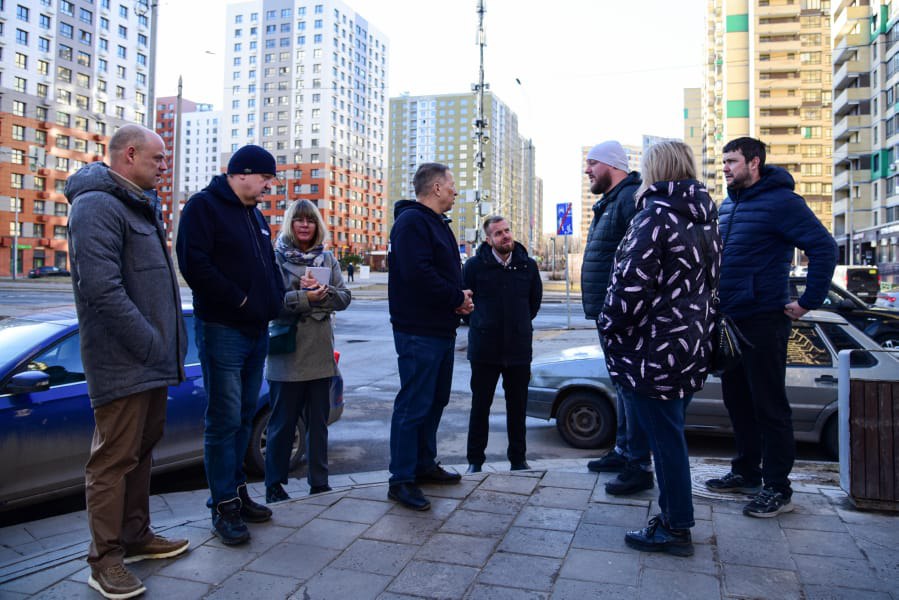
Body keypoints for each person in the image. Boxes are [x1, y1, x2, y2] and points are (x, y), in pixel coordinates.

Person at [66, 124, 189, 599]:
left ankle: (136, 537)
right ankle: (105, 560)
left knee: (139, 452)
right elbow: (101, 290)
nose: (164, 167)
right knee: (112, 461)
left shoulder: (135, 202)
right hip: (124, 363)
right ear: (130, 154)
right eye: (158, 159)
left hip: (149, 362)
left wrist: (161, 349)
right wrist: (152, 344)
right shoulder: (96, 205)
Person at [705, 137, 837, 517]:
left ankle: (778, 488)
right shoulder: (729, 204)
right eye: (724, 161)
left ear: (755, 162)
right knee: (738, 402)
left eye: (732, 161)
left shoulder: (783, 202)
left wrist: (808, 301)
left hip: (764, 319)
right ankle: (746, 471)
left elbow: (824, 247)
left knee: (769, 406)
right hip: (730, 320)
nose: (726, 168)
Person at [600, 140, 720, 557]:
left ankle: (675, 526)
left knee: (665, 442)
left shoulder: (654, 215)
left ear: (656, 170)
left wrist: (610, 325)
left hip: (653, 349)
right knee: (671, 435)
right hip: (689, 343)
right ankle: (674, 521)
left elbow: (631, 285)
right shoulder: (705, 215)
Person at [176, 145, 285, 545]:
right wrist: (239, 300)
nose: (268, 187)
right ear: (243, 172)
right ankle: (222, 506)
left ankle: (237, 493)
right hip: (223, 328)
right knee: (223, 419)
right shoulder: (204, 207)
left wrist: (271, 301)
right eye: (266, 178)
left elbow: (268, 264)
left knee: (241, 415)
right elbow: (194, 264)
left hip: (256, 329)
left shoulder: (254, 215)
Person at [387, 162, 473, 511]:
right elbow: (417, 273)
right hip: (418, 331)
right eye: (451, 184)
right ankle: (401, 479)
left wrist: (460, 299)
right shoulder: (411, 223)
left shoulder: (435, 223)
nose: (455, 190)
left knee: (435, 401)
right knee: (413, 404)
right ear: (436, 188)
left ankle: (423, 464)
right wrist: (456, 298)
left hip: (439, 329)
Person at [265, 200, 350, 503]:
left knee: (318, 424)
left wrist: (323, 294)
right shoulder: (275, 258)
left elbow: (344, 297)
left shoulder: (326, 258)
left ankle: (319, 483)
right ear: (290, 224)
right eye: (299, 220)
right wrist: (304, 297)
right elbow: (271, 302)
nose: (304, 225)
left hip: (319, 353)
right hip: (286, 353)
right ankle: (274, 485)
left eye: (310, 220)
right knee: (282, 424)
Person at [580, 141, 653, 496]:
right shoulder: (611, 201)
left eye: (592, 163)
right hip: (609, 312)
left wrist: (622, 306)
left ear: (611, 164)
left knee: (630, 386)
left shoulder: (629, 199)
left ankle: (637, 463)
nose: (587, 170)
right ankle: (624, 451)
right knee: (621, 386)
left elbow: (638, 257)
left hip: (623, 313)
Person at [463, 216, 542, 473]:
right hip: (485, 350)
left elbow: (533, 304)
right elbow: (465, 305)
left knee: (517, 409)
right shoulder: (474, 267)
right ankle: (475, 462)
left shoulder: (528, 266)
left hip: (518, 350)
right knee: (480, 408)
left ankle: (518, 460)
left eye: (507, 230)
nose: (506, 236)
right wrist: (484, 323)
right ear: (488, 239)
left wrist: (517, 324)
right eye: (498, 233)